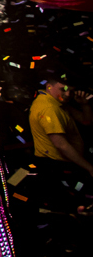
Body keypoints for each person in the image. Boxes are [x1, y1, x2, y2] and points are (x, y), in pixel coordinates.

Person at [28, 79, 93, 208]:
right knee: (75, 204)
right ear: (49, 87)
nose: (68, 94)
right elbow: (61, 145)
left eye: (71, 91)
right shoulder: (49, 109)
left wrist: (84, 105)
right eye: (63, 89)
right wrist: (90, 168)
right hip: (57, 167)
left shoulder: (56, 102)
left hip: (66, 164)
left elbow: (86, 122)